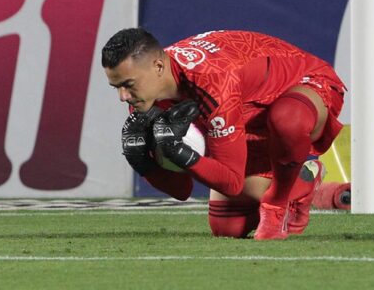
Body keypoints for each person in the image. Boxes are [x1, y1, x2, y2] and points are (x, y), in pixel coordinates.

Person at [101, 28, 345, 240]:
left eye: (128, 85)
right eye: (117, 87)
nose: (122, 97)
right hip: (246, 114)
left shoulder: (212, 80)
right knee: (226, 228)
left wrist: (181, 153)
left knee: (287, 120)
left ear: (158, 66)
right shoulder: (144, 95)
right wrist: (143, 163)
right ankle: (306, 182)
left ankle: (277, 204)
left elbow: (231, 181)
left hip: (304, 85)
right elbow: (182, 190)